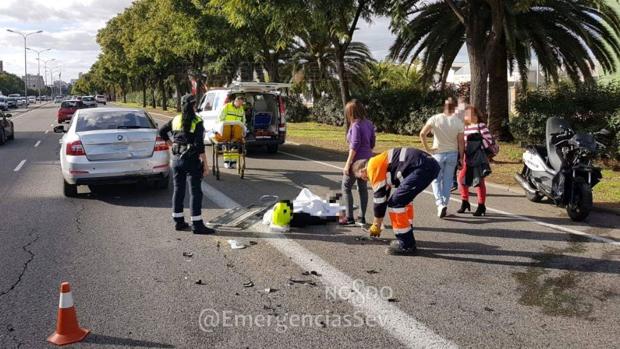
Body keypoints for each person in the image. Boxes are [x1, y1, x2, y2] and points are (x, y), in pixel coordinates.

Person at [351, 148, 440, 255]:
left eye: (361, 178)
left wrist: (376, 224)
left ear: (362, 170)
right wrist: (378, 222)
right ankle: (407, 232)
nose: (365, 180)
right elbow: (384, 196)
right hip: (427, 164)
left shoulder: (372, 167)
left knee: (396, 203)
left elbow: (379, 200)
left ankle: (406, 244)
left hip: (422, 167)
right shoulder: (379, 162)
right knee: (404, 200)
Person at [159, 94, 214, 235]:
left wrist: (172, 144)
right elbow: (200, 147)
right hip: (191, 160)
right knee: (195, 192)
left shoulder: (176, 119)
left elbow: (162, 131)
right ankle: (197, 225)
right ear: (194, 105)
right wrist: (206, 166)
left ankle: (179, 222)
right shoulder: (197, 121)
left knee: (178, 190)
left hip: (176, 159)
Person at [419, 97, 464, 218]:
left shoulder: (435, 118)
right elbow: (461, 142)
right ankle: (444, 204)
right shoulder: (459, 121)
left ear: (444, 106)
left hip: (437, 153)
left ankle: (440, 204)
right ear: (455, 108)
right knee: (448, 180)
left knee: (436, 180)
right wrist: (461, 157)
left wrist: (428, 149)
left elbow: (422, 133)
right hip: (452, 153)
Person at [341, 99, 376, 226]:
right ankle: (361, 217)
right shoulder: (369, 124)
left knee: (346, 187)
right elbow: (372, 143)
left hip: (356, 161)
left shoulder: (356, 125)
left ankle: (349, 218)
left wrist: (348, 164)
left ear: (350, 112)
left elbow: (354, 146)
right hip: (368, 160)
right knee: (362, 189)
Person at [457, 106, 492, 216]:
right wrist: (461, 156)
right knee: (461, 179)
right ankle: (465, 202)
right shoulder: (465, 127)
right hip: (467, 157)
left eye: (471, 113)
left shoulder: (481, 126)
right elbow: (462, 142)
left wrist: (478, 148)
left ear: (476, 115)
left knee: (479, 181)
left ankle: (481, 206)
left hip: (478, 158)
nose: (468, 116)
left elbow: (489, 140)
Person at [219, 95, 246, 169]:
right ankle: (227, 162)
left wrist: (243, 129)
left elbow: (243, 120)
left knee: (235, 145)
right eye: (239, 103)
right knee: (226, 144)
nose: (240, 105)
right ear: (236, 101)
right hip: (227, 127)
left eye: (241, 104)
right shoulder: (227, 107)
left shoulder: (241, 109)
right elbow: (220, 118)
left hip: (236, 129)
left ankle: (233, 162)